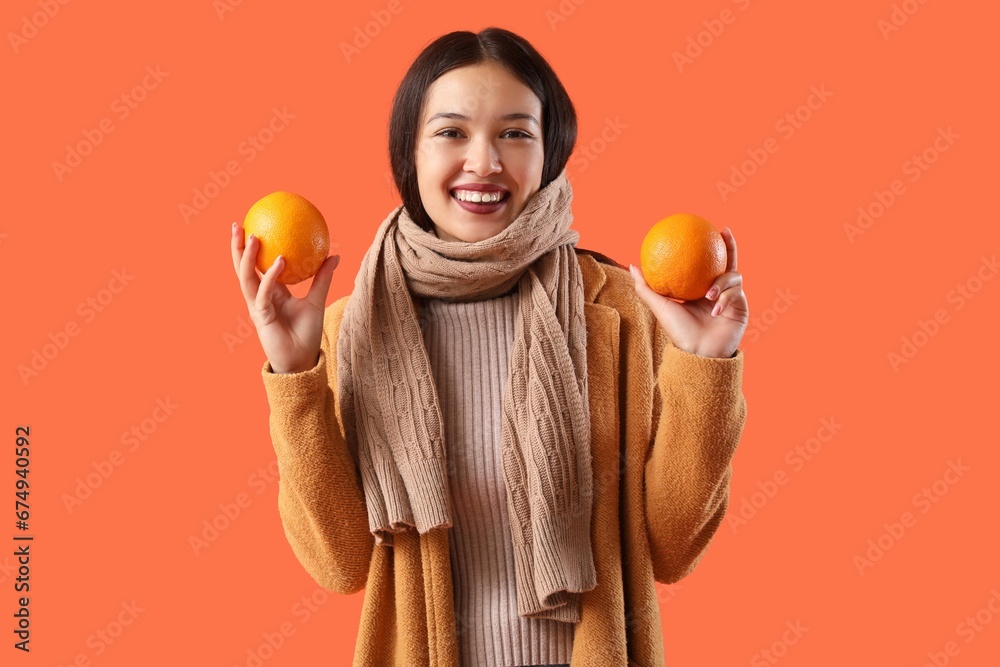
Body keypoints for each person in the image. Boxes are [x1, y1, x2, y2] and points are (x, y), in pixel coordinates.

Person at [230, 27, 748, 667]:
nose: (484, 161)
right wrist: (295, 370)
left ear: (549, 152)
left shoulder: (620, 311)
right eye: (451, 132)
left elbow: (672, 548)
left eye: (515, 133)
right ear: (409, 155)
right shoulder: (355, 327)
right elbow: (339, 565)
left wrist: (707, 363)